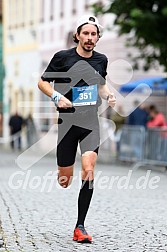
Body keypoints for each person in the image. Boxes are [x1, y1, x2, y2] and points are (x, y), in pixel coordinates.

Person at [38, 15, 116, 243]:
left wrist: (109, 95)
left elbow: (101, 86)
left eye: (94, 34)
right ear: (78, 36)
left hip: (91, 122)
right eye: (86, 34)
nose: (90, 38)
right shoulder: (62, 58)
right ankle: (63, 172)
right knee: (65, 181)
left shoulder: (101, 60)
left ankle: (80, 226)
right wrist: (56, 96)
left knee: (89, 169)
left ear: (98, 37)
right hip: (68, 124)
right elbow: (42, 82)